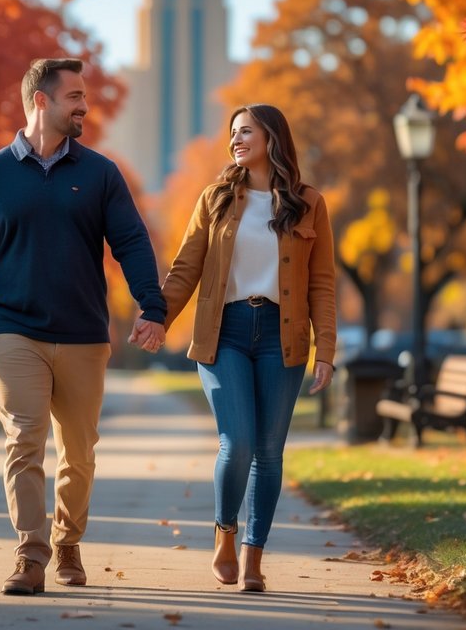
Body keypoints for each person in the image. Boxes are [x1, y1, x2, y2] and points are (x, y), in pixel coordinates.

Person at [0, 57, 166, 596]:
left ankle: (68, 540)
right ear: (40, 101)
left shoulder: (100, 174)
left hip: (84, 333)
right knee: (24, 440)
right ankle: (31, 553)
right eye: (74, 97)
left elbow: (131, 242)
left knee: (79, 451)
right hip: (15, 330)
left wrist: (152, 306)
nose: (84, 106)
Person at [156, 103, 337, 593]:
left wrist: (326, 350)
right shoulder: (215, 198)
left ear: (272, 137)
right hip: (225, 331)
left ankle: (254, 557)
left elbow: (322, 284)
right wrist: (158, 317)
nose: (236, 140)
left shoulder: (308, 203)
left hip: (283, 335)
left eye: (246, 131)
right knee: (236, 443)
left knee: (270, 453)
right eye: (232, 133)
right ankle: (224, 533)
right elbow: (186, 266)